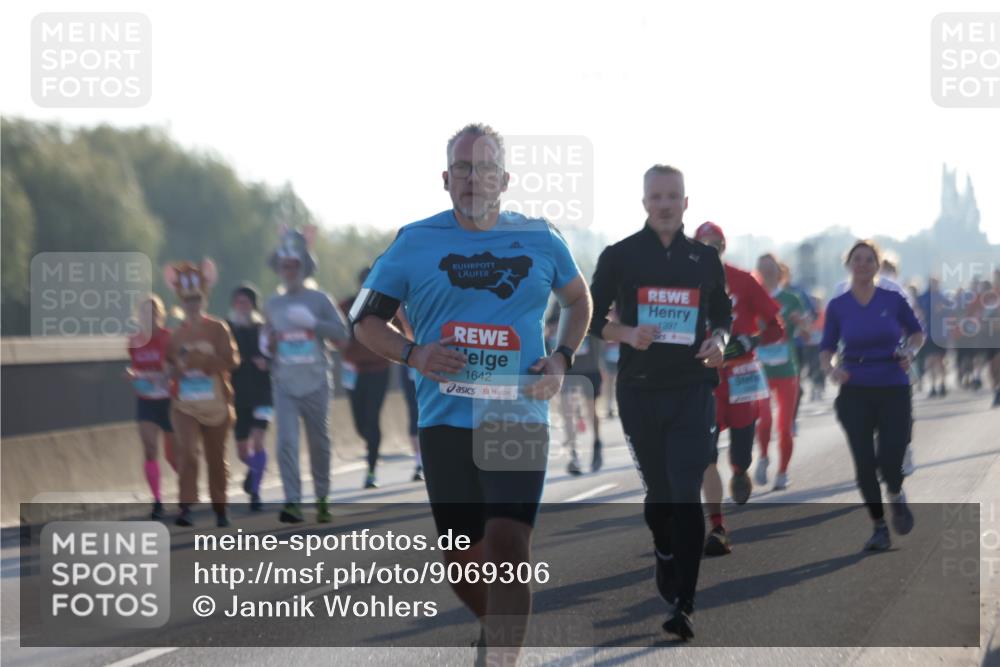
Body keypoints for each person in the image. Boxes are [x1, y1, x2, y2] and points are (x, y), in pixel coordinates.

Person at [351, 123, 591, 664]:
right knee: (462, 561)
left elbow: (579, 301)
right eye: (463, 168)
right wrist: (414, 354)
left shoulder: (540, 238)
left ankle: (503, 657)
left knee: (508, 543)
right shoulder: (415, 242)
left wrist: (561, 357)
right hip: (445, 420)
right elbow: (364, 321)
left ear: (504, 180)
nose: (473, 179)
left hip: (516, 413)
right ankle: (498, 627)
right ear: (446, 179)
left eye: (485, 169)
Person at [590, 166, 731, 640]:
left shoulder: (704, 259)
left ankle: (685, 605)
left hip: (692, 389)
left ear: (685, 203)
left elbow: (722, 315)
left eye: (673, 196)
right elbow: (590, 319)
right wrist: (628, 333)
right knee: (659, 496)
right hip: (640, 391)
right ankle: (664, 550)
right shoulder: (620, 256)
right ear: (645, 202)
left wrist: (719, 341)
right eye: (657, 196)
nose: (665, 204)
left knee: (685, 490)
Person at [820, 240, 924, 551]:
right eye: (857, 259)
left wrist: (910, 352)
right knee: (864, 462)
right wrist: (831, 369)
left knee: (891, 458)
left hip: (893, 384)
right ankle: (879, 526)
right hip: (855, 387)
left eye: (869, 260)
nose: (863, 264)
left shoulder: (892, 299)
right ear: (848, 264)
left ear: (878, 266)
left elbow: (917, 333)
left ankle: (895, 493)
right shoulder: (838, 306)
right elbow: (826, 348)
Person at [692, 222, 784, 558]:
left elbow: (776, 326)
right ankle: (717, 525)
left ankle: (741, 470)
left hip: (741, 374)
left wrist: (753, 340)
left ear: (724, 247)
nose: (710, 249)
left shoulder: (744, 280)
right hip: (703, 377)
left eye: (715, 244)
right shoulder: (684, 281)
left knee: (741, 451)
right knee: (706, 451)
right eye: (703, 244)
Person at [265, 226, 351, 524]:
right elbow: (268, 339)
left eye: (293, 265)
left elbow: (343, 334)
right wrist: (268, 343)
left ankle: (323, 498)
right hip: (285, 383)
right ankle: (292, 502)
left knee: (319, 443)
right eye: (284, 266)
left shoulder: (319, 299)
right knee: (286, 443)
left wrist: (314, 324)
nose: (288, 271)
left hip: (315, 382)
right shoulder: (273, 303)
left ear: (303, 267)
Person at [164, 259, 240, 528]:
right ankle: (185, 507)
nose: (192, 305)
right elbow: (169, 367)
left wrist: (204, 362)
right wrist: (177, 368)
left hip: (216, 403)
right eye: (188, 300)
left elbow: (232, 360)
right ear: (181, 302)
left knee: (215, 457)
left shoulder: (218, 328)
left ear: (204, 299)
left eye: (196, 299)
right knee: (187, 452)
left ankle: (221, 507)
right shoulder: (175, 335)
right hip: (185, 404)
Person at [755, 253, 810, 492]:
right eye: (762, 268)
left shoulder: (791, 299)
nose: (767, 271)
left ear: (780, 272)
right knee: (764, 420)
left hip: (787, 369)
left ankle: (783, 472)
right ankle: (763, 457)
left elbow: (807, 334)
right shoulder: (753, 297)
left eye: (771, 268)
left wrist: (801, 324)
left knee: (785, 426)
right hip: (760, 369)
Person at [340, 268, 393, 489]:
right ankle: (371, 443)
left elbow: (397, 332)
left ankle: (371, 469)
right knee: (360, 424)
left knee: (372, 418)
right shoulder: (345, 305)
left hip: (378, 369)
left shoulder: (387, 305)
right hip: (353, 370)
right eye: (364, 281)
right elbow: (335, 331)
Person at [126, 294, 177, 520]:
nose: (150, 315)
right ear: (139, 315)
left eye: (154, 311)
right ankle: (157, 500)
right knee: (149, 448)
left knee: (173, 455)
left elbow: (177, 366)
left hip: (168, 400)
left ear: (161, 314)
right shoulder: (134, 341)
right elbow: (135, 367)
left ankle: (186, 489)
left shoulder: (169, 338)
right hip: (146, 399)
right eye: (145, 311)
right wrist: (132, 374)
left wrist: (167, 374)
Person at [227, 283, 272, 511]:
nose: (241, 306)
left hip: (263, 393)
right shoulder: (227, 329)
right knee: (242, 451)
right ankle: (256, 468)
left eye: (245, 302)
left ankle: (255, 491)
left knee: (258, 440)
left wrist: (268, 363)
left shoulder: (263, 329)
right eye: (238, 302)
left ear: (253, 305)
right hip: (238, 395)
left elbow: (277, 353)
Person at [548, 307, 605, 475]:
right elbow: (549, 328)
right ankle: (574, 455)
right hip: (568, 369)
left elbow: (600, 327)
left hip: (589, 367)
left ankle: (597, 443)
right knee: (567, 411)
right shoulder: (557, 303)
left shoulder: (590, 301)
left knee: (591, 410)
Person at [918, 277, 949, 398]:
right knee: (930, 360)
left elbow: (949, 313)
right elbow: (918, 312)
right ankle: (932, 385)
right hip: (928, 334)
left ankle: (942, 383)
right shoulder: (923, 297)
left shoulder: (942, 297)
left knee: (940, 360)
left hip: (941, 334)